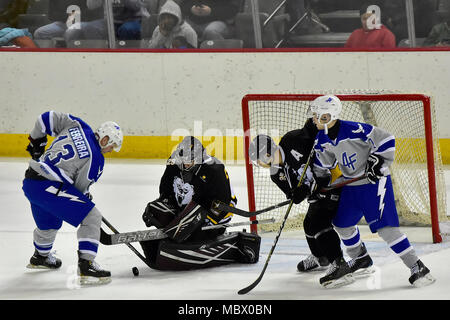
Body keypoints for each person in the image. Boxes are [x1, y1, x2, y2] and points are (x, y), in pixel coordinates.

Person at [310, 94, 436, 287]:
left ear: (330, 116)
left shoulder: (355, 129)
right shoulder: (321, 137)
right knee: (342, 223)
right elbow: (323, 164)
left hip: (373, 184)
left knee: (386, 229)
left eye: (319, 115)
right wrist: (317, 183)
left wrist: (377, 161)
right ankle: (361, 258)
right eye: (315, 115)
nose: (315, 119)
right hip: (350, 184)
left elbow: (387, 139)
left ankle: (417, 267)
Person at [248, 119, 373, 288]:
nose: (260, 165)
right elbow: (294, 194)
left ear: (266, 154)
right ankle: (320, 258)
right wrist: (296, 194)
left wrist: (312, 126)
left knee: (318, 223)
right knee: (308, 224)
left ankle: (339, 264)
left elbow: (314, 134)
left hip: (334, 183)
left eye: (259, 160)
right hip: (318, 194)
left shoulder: (291, 140)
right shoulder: (275, 174)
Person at [22, 111, 123, 285]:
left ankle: (41, 257)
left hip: (31, 182)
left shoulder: (78, 125)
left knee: (50, 223)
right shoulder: (96, 158)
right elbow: (78, 188)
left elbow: (45, 118)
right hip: (50, 186)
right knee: (92, 216)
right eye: (111, 146)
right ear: (105, 139)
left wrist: (37, 141)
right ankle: (87, 265)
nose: (110, 150)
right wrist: (84, 197)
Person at [139, 136, 260, 271]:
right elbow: (165, 192)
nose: (185, 164)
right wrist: (160, 212)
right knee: (155, 209)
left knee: (192, 217)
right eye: (183, 160)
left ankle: (187, 233)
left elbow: (224, 203)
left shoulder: (214, 169)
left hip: (215, 212)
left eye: (190, 161)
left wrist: (199, 221)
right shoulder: (173, 162)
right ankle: (180, 230)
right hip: (186, 210)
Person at [63, 0, 149, 42]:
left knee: (127, 30)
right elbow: (91, 5)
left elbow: (137, 5)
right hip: (109, 22)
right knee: (74, 31)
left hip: (134, 19)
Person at [33, 0, 104, 42]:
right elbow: (52, 15)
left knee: (71, 31)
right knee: (40, 33)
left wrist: (77, 16)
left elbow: (95, 11)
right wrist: (69, 16)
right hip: (64, 22)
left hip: (87, 21)